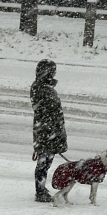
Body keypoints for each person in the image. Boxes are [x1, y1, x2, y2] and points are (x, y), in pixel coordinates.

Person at [30, 59, 67, 202]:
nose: (54, 74)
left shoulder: (43, 87)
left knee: (46, 161)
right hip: (46, 132)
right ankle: (40, 191)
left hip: (49, 131)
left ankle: (41, 188)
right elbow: (46, 112)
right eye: (52, 72)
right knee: (43, 162)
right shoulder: (41, 88)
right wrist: (53, 130)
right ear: (47, 72)